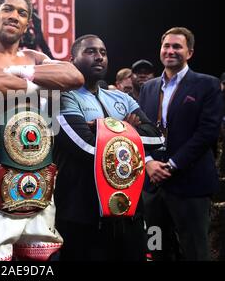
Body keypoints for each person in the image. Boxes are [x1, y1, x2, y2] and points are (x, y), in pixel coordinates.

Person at [0, 0, 84, 261]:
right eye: (8, 9)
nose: (14, 16)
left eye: (22, 13)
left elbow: (74, 75)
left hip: (38, 173)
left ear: (27, 24)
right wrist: (41, 81)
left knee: (39, 260)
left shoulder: (33, 58)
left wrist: (21, 72)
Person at [53, 34, 164, 260]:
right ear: (72, 59)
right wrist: (127, 128)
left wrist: (103, 128)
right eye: (90, 52)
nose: (99, 57)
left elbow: (157, 138)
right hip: (81, 213)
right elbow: (85, 147)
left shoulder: (121, 98)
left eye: (103, 52)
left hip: (128, 212)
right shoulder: (63, 96)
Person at [138, 27, 222, 260]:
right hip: (153, 186)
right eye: (167, 46)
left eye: (177, 46)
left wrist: (172, 164)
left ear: (190, 52)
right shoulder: (148, 87)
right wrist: (148, 163)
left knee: (195, 252)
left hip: (190, 184)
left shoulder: (208, 85)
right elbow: (141, 130)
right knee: (157, 252)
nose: (170, 51)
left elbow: (207, 132)